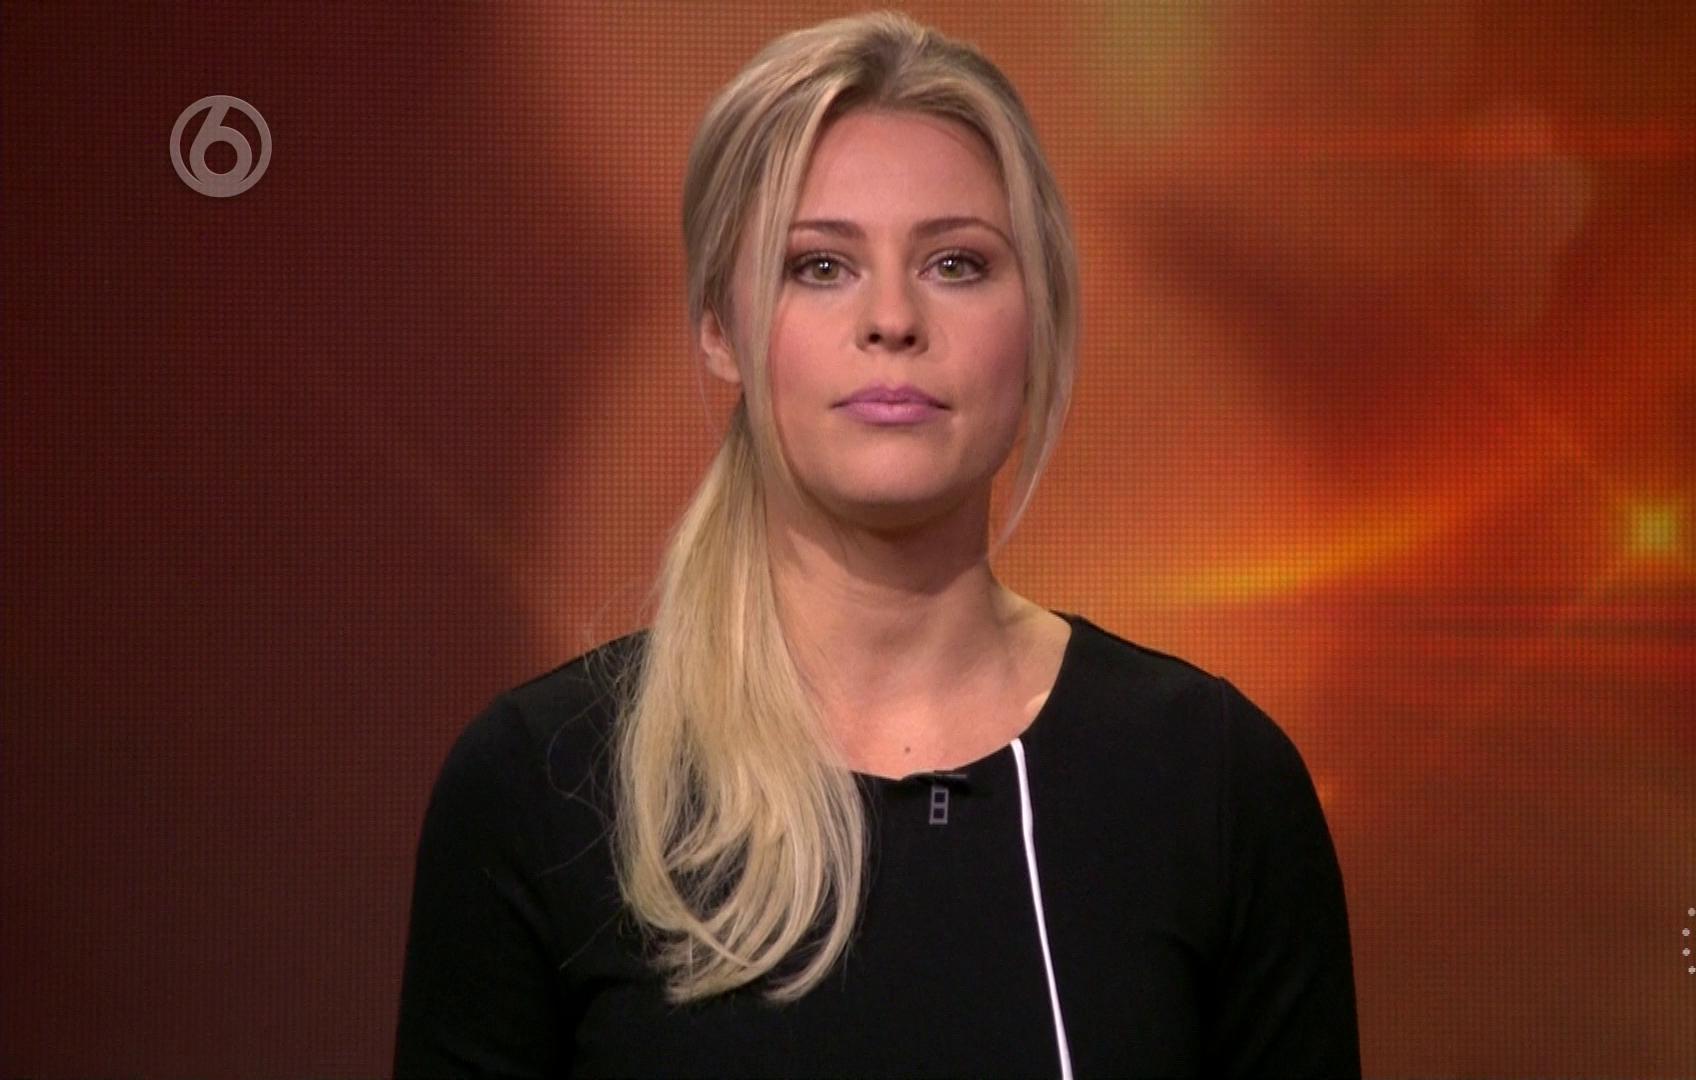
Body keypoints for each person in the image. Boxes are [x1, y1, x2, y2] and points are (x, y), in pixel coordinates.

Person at [394, 10, 1359, 1077]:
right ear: (719, 327)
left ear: (1037, 321)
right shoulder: (545, 786)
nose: (893, 318)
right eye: (820, 265)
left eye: (955, 263)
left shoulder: (1209, 781)